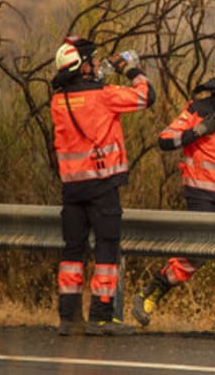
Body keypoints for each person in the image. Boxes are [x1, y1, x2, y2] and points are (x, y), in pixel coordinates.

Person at [132, 58, 215, 334]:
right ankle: (152, 293)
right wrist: (199, 130)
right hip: (201, 193)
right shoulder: (197, 109)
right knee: (196, 255)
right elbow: (165, 140)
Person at [51, 36, 155, 336]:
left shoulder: (59, 101)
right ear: (83, 66)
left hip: (72, 190)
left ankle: (68, 318)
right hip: (101, 186)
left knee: (73, 252)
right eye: (93, 60)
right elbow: (146, 96)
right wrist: (130, 70)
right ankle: (100, 316)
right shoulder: (104, 95)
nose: (97, 64)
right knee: (106, 250)